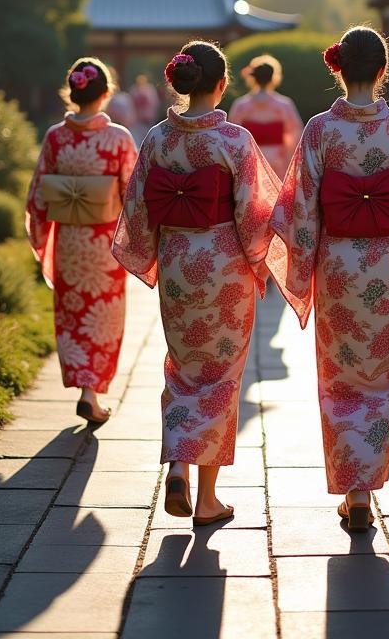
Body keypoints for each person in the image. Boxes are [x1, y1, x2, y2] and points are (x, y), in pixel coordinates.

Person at [271, 26, 389, 532]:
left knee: (338, 377)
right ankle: (365, 490)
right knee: (382, 378)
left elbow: (301, 209)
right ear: (382, 71)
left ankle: (351, 487)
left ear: (338, 69)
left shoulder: (320, 131)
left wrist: (301, 270)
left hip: (337, 266)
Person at [112, 41, 283, 527]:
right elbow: (254, 216)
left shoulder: (159, 140)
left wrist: (151, 254)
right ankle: (207, 498)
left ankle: (179, 465)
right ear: (222, 84)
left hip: (177, 262)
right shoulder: (234, 141)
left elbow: (140, 209)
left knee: (183, 367)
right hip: (223, 264)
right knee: (222, 376)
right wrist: (260, 261)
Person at [26, 58, 138, 426]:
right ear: (106, 94)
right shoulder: (118, 138)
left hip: (70, 241)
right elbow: (134, 192)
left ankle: (83, 389)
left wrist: (42, 236)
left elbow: (39, 197)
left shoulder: (56, 136)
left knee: (73, 313)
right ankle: (93, 392)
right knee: (103, 316)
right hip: (104, 242)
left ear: (72, 92)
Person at [227, 54, 303, 179]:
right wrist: (287, 154)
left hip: (250, 158)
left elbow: (233, 135)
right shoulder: (284, 104)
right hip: (278, 158)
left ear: (253, 78)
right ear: (273, 77)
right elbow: (295, 132)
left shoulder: (241, 105)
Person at [129, 73, 161, 144]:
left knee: (148, 137)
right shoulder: (134, 90)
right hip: (138, 120)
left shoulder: (150, 90)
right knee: (139, 139)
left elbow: (155, 103)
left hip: (148, 119)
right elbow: (131, 105)